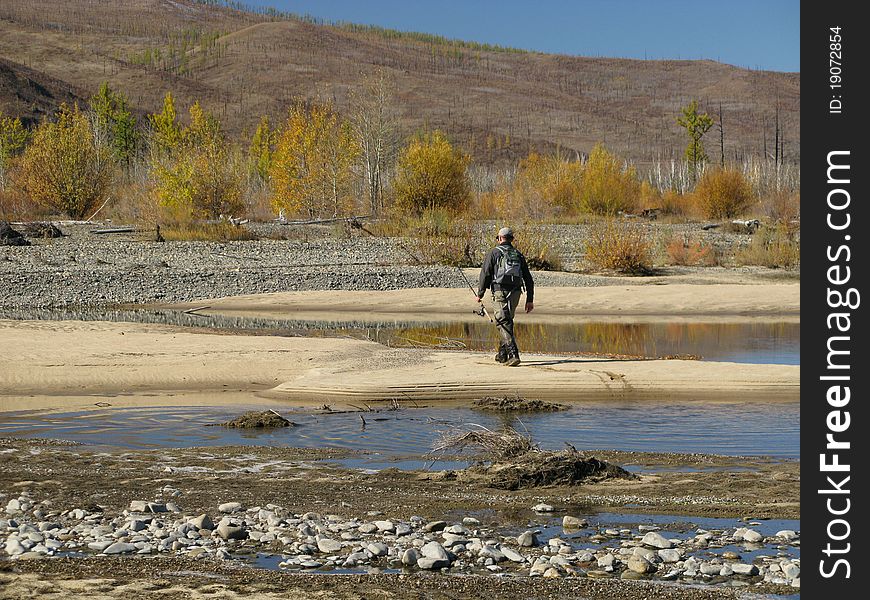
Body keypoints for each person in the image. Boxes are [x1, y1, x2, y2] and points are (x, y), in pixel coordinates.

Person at [476, 227, 534, 366]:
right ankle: (502, 354)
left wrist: (480, 293)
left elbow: (485, 274)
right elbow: (528, 278)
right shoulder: (518, 254)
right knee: (507, 320)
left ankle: (514, 354)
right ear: (511, 239)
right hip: (516, 292)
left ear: (500, 238)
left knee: (502, 322)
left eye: (497, 238)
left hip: (499, 291)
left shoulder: (494, 252)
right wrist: (529, 299)